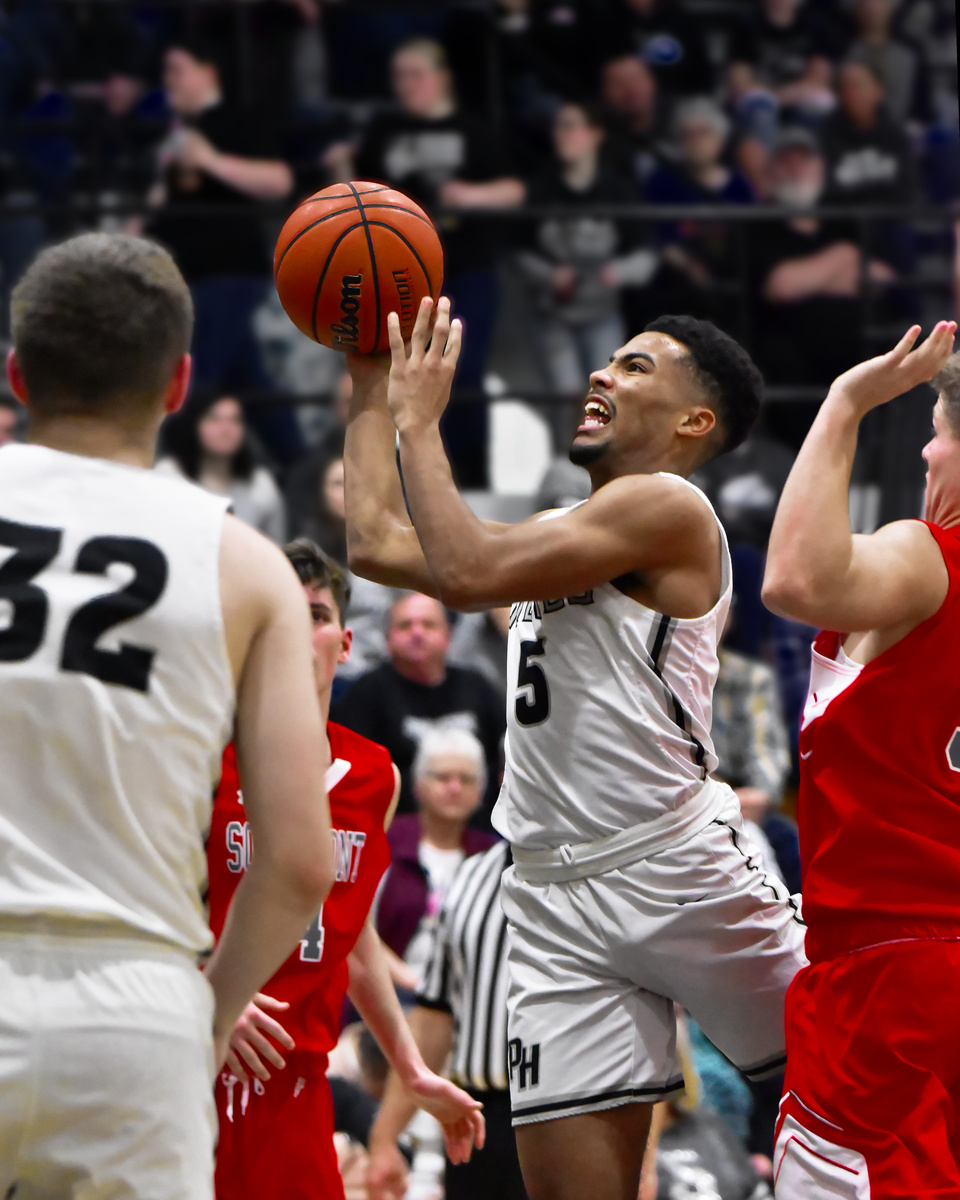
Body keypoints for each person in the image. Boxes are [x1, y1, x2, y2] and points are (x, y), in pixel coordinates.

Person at [342, 298, 807, 1200]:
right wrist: (368, 377)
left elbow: (466, 570)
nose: (602, 372)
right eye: (610, 359)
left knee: (866, 1095)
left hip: (674, 866)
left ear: (693, 422)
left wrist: (419, 422)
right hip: (553, 894)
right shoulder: (565, 531)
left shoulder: (669, 508)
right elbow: (374, 543)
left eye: (636, 366)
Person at [0, 232, 334, 1196]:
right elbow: (300, 861)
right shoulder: (247, 563)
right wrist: (210, 1015)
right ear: (180, 384)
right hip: (134, 1007)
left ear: (17, 375)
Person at [208, 539, 484, 1200]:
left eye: (315, 615)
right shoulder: (202, 751)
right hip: (202, 1058)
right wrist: (204, 988)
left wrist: (410, 1068)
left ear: (345, 643)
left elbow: (353, 940)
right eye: (281, 613)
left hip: (299, 1082)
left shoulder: (374, 775)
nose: (298, 632)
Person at [761, 321, 960, 1197]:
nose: (924, 448)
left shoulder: (927, 558)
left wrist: (843, 403)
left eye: (939, 430)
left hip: (891, 976)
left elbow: (794, 581)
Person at [329, 37, 524, 485]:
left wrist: (470, 195)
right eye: (399, 76)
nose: (406, 85)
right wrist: (339, 170)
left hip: (465, 267)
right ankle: (415, 479)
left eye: (416, 74)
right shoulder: (383, 130)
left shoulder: (473, 129)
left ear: (442, 77)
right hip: (401, 274)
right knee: (398, 375)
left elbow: (514, 189)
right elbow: (358, 196)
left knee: (463, 374)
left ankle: (471, 482)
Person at [145, 40, 302, 464]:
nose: (169, 80)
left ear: (208, 71)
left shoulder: (236, 120)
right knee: (250, 381)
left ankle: (168, 463)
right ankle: (301, 466)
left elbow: (280, 181)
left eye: (177, 68)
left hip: (229, 270)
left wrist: (211, 160)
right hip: (189, 276)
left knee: (200, 375)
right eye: (165, 71)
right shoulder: (174, 134)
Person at [367, 839, 527, 1200]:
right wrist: (385, 1137)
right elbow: (434, 1016)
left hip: (569, 1116)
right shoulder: (469, 876)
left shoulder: (602, 871)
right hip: (476, 1116)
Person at [516, 102, 656, 405]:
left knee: (609, 395)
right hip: (552, 314)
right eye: (558, 127)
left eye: (571, 125)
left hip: (602, 313)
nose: (562, 134)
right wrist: (550, 275)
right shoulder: (540, 188)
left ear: (595, 134)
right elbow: (518, 252)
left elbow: (646, 253)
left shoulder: (618, 190)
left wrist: (619, 272)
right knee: (565, 396)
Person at [332, 592, 505, 823]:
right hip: (396, 827)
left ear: (448, 635)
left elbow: (504, 757)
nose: (417, 633)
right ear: (387, 638)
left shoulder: (477, 687)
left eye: (429, 625)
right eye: (405, 626)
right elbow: (353, 779)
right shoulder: (366, 694)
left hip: (478, 827)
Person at [375, 728, 497, 984]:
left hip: (465, 994)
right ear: (418, 784)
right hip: (388, 988)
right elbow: (356, 928)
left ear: (481, 791)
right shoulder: (385, 840)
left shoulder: (492, 855)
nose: (455, 788)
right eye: (443, 777)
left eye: (467, 779)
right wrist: (414, 985)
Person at [156, 393, 286, 543]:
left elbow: (278, 546)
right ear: (194, 424)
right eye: (214, 419)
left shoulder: (261, 485)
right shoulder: (168, 475)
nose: (226, 429)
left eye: (235, 420)